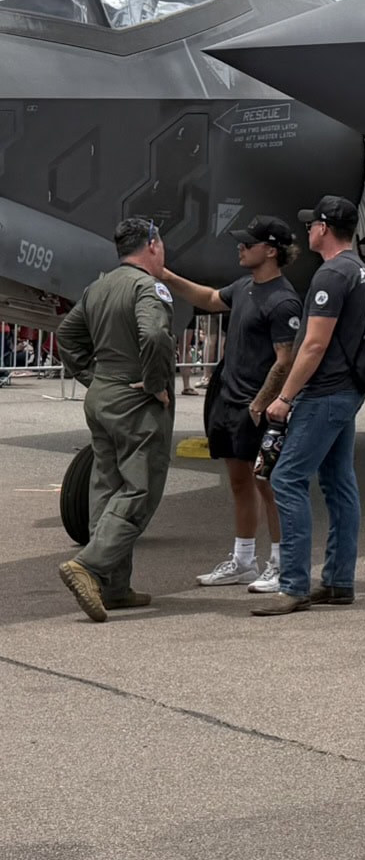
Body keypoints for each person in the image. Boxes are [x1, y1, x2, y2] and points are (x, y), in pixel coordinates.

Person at [158, 215, 303, 593]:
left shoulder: (284, 301)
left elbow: (285, 359)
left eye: (248, 243)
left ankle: (280, 564)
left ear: (270, 251)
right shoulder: (244, 287)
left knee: (268, 484)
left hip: (258, 406)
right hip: (229, 399)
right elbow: (208, 298)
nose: (240, 247)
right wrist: (167, 276)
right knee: (240, 482)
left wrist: (260, 403)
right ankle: (243, 561)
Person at [252, 195, 365, 617]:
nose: (307, 230)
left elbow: (315, 343)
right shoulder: (359, 271)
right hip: (346, 389)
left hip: (324, 392)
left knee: (286, 479)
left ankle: (294, 585)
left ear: (324, 228)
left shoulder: (332, 274)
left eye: (311, 224)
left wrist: (284, 397)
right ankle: (339, 581)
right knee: (339, 483)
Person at [54, 216, 177, 622]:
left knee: (107, 487)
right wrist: (156, 382)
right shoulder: (147, 287)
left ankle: (114, 588)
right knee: (141, 490)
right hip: (135, 401)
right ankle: (88, 566)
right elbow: (156, 336)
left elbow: (66, 335)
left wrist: (92, 377)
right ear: (153, 244)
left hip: (103, 396)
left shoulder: (100, 286)